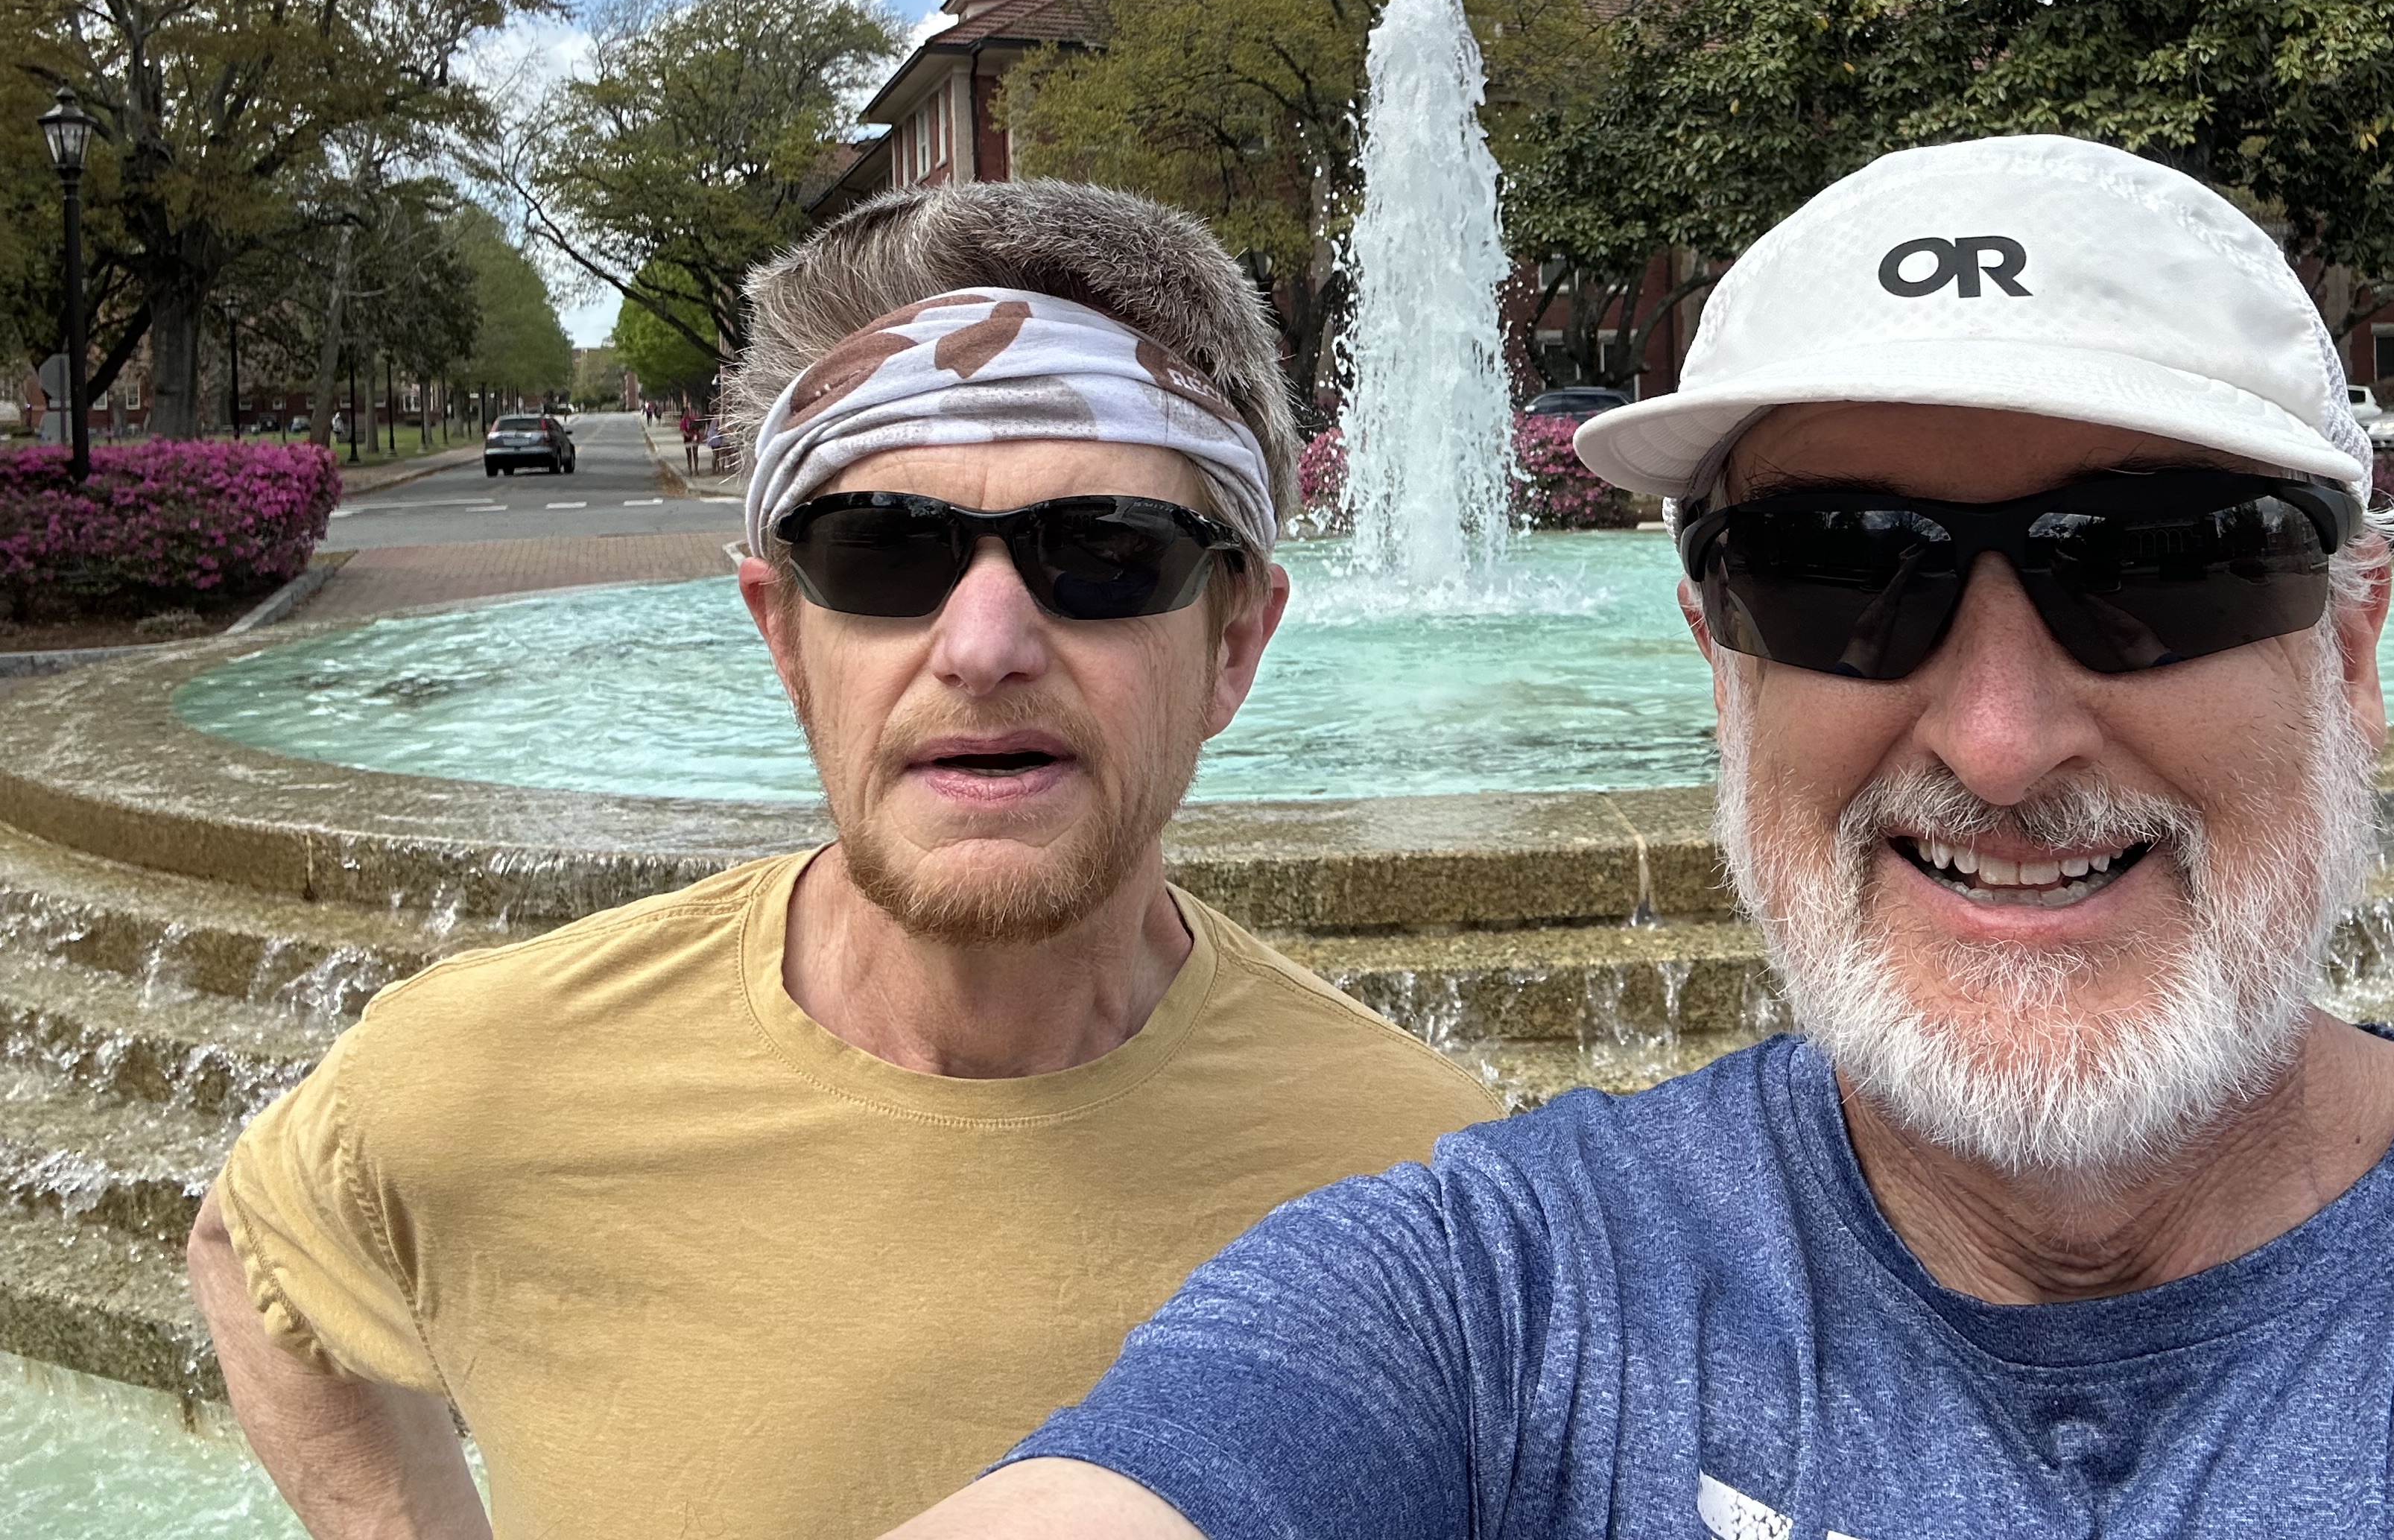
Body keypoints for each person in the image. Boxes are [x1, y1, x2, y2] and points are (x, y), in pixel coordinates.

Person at [894, 135, 2394, 1540]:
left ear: (2352, 650)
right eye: (1838, 569)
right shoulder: (1489, 1298)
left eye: (2158, 561)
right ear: (1720, 657)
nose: (1999, 740)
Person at [189, 179, 1495, 1540]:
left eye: (1105, 552)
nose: (983, 644)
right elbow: (250, 1249)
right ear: (785, 637)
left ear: (1232, 641)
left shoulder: (1426, 1178)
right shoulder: (476, 1074)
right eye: (883, 551)